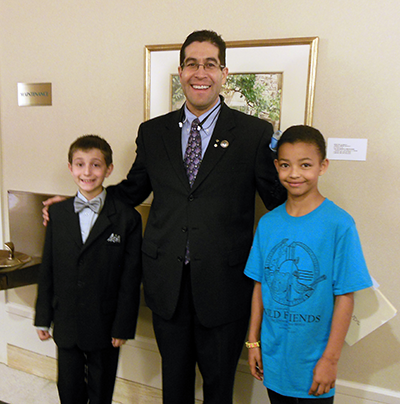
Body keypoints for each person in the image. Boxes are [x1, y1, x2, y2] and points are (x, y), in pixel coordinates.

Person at [43, 30, 286, 404]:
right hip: (166, 282)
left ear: (224, 72)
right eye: (192, 64)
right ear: (181, 70)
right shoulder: (153, 132)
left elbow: (277, 200)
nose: (200, 72)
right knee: (174, 382)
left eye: (209, 64)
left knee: (219, 384)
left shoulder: (253, 133)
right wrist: (81, 200)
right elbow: (133, 189)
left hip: (224, 283)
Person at [244, 125, 373, 403]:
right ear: (277, 166)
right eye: (286, 165)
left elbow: (345, 296)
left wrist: (331, 359)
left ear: (323, 166)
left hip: (315, 363)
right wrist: (253, 342)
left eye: (305, 165)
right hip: (274, 358)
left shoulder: (339, 224)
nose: (294, 174)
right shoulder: (267, 224)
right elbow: (259, 285)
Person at [35, 135, 142, 404]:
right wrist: (42, 316)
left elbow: (130, 278)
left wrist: (123, 326)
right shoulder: (57, 214)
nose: (87, 172)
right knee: (68, 391)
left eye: (96, 165)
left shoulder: (127, 217)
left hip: (105, 325)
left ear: (109, 169)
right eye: (80, 164)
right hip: (67, 321)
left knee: (101, 391)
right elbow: (47, 269)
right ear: (70, 168)